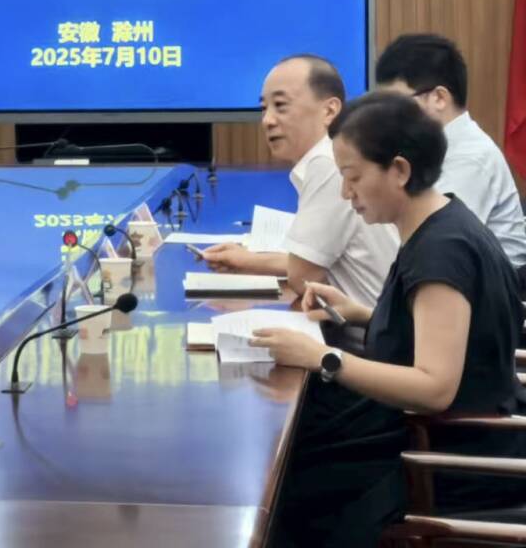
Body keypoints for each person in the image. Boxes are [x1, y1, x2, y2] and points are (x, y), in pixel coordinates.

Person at [251, 92, 526, 547]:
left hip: (442, 456)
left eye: (352, 177)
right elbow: (436, 331)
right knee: (295, 447)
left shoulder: (441, 252)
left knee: (285, 485)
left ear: (399, 170)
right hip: (416, 432)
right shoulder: (441, 220)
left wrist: (323, 357)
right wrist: (357, 312)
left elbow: (434, 387)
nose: (346, 193)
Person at [204, 55, 399, 311]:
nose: (267, 120)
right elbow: (309, 263)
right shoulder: (331, 157)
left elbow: (302, 277)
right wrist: (246, 259)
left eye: (281, 106)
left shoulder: (329, 163)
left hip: (367, 329)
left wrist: (248, 261)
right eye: (264, 108)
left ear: (329, 111)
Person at [375, 32, 526, 270]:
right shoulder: (428, 150)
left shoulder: (471, 158)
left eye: (397, 104)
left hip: (488, 288)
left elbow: (433, 244)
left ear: (439, 98)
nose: (388, 116)